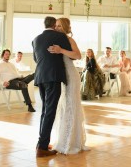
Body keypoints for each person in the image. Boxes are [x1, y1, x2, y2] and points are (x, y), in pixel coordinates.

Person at [32, 16, 72, 158]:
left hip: (40, 77)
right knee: (50, 111)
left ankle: (41, 143)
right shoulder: (59, 36)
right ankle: (42, 147)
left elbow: (36, 59)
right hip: (53, 76)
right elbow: (72, 56)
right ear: (55, 25)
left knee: (45, 111)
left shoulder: (36, 39)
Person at [48, 17, 88, 154]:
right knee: (64, 107)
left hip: (71, 75)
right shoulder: (57, 39)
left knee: (71, 106)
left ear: (65, 27)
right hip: (62, 77)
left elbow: (78, 55)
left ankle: (71, 142)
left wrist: (61, 50)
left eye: (59, 26)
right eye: (56, 26)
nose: (57, 28)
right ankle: (63, 139)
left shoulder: (69, 40)